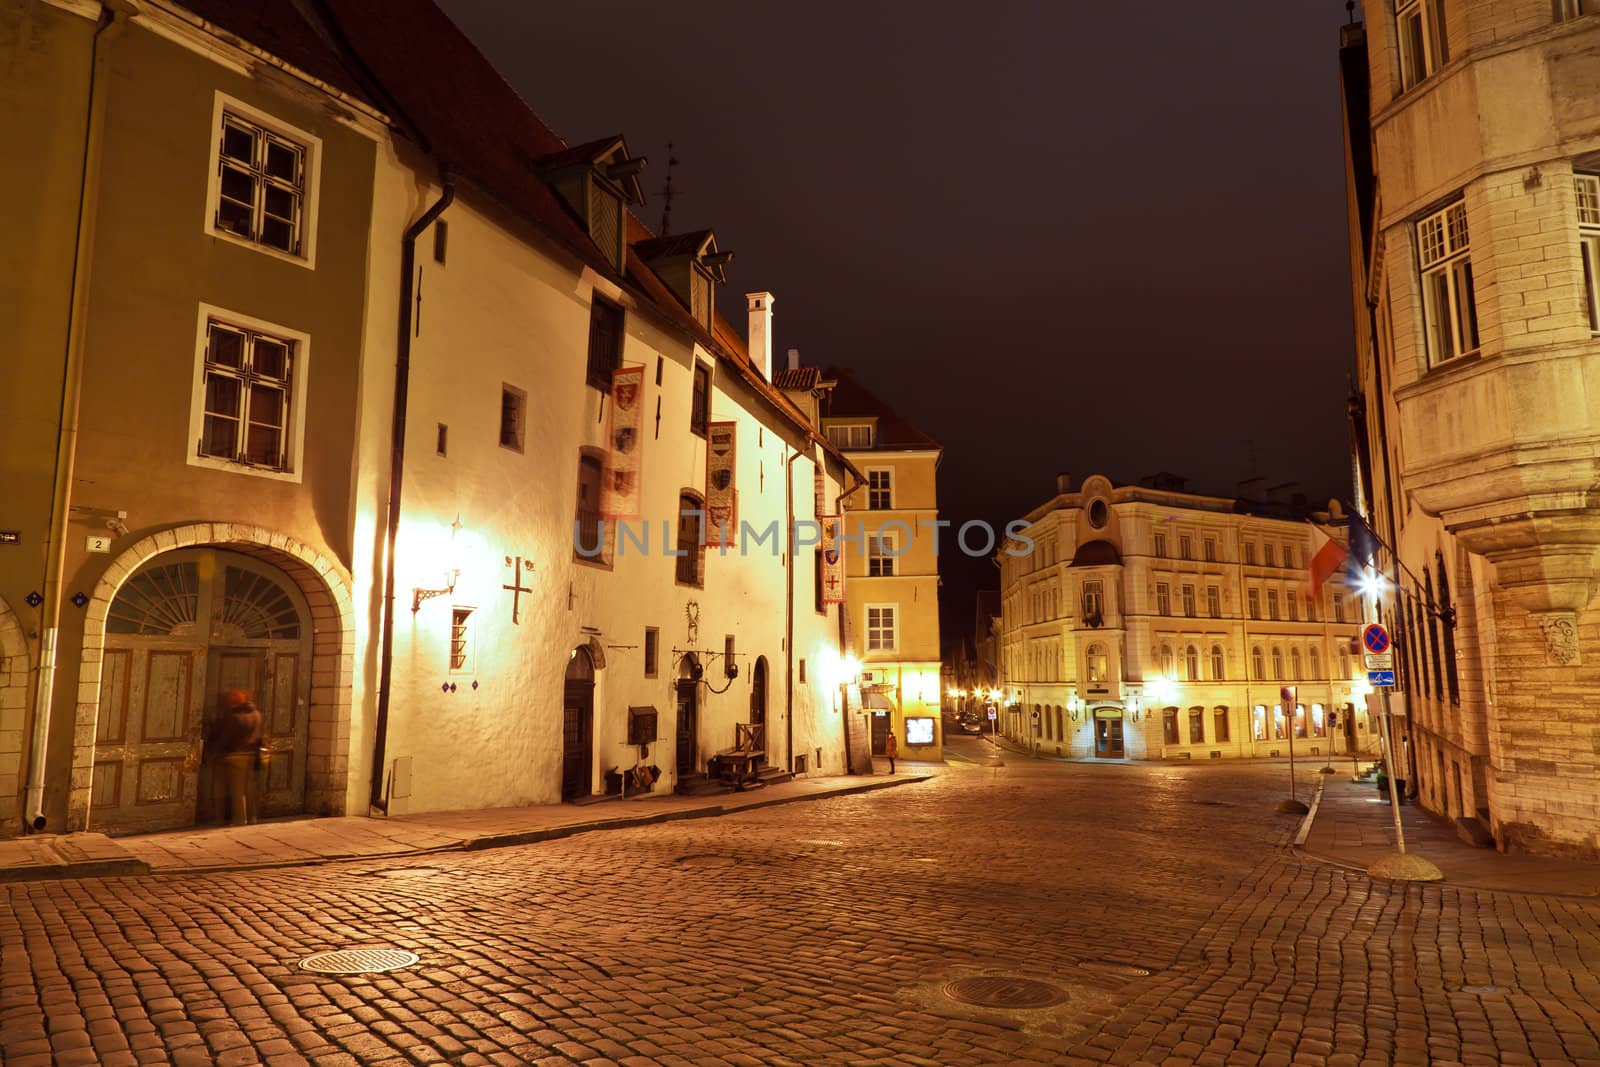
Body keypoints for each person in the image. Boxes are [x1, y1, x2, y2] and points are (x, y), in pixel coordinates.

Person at [217, 688, 264, 826]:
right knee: (249, 789)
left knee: (237, 790)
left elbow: (226, 738)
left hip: (236, 756)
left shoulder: (234, 717)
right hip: (252, 755)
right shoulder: (256, 714)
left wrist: (216, 751)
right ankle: (252, 817)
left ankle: (239, 819)